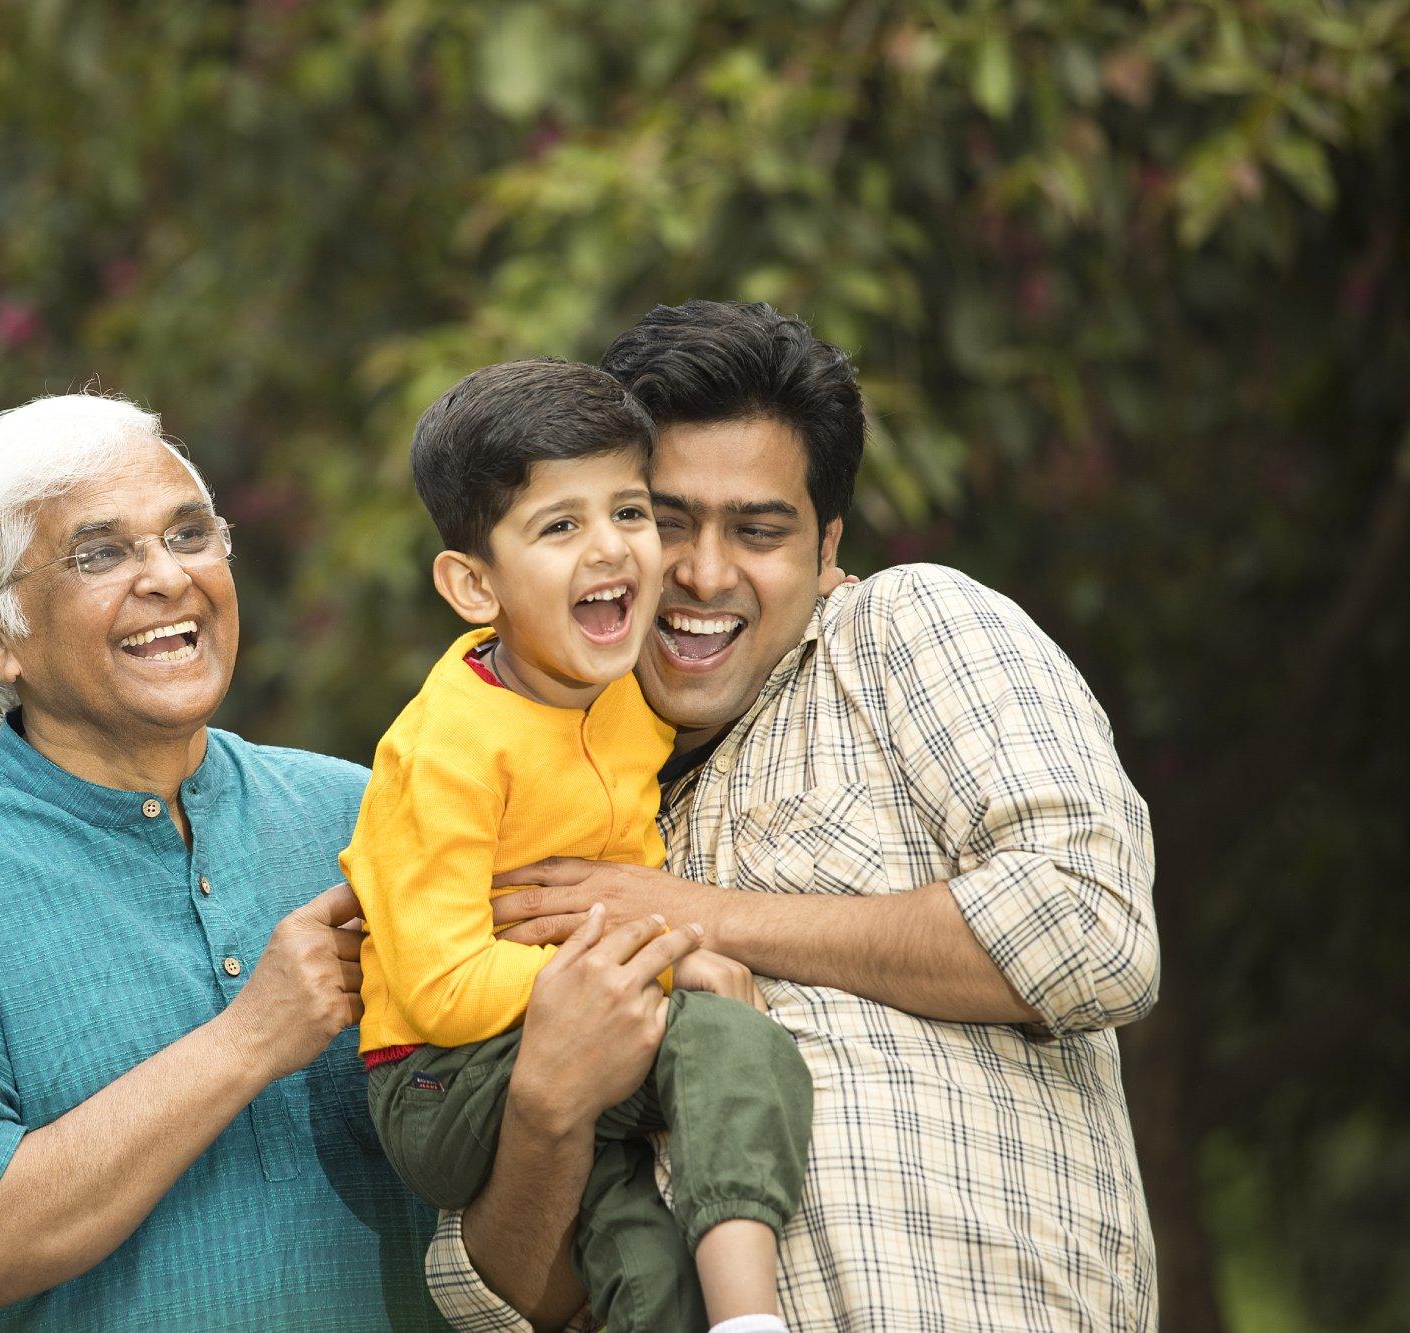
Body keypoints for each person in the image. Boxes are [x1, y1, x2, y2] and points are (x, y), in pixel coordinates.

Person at [430, 301, 1161, 1331]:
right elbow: (497, 1299)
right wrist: (549, 1110)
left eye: (758, 531)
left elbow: (1089, 930)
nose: (702, 572)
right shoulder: (529, 803)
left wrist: (695, 915)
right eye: (662, 519)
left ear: (824, 551)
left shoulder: (902, 629)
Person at [0, 393, 452, 1330]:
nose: (167, 576)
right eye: (100, 553)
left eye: (190, 533)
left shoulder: (357, 809)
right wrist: (248, 1039)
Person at [344, 360, 814, 1333]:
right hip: (437, 1074)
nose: (610, 549)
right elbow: (436, 987)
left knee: (641, 1249)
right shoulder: (444, 750)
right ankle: (752, 1322)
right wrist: (645, 967)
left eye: (630, 513)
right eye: (559, 527)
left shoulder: (621, 696)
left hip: (536, 1039)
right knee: (729, 1034)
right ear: (473, 582)